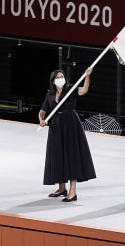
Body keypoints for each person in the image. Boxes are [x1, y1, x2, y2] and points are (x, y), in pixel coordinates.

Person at [38, 68, 97, 202]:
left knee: (71, 156)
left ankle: (73, 191)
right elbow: (42, 111)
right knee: (57, 155)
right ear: (53, 81)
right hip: (56, 126)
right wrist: (41, 120)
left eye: (62, 76)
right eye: (57, 77)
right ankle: (61, 188)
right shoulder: (50, 94)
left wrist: (87, 76)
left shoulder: (71, 89)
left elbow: (84, 90)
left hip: (70, 124)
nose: (60, 79)